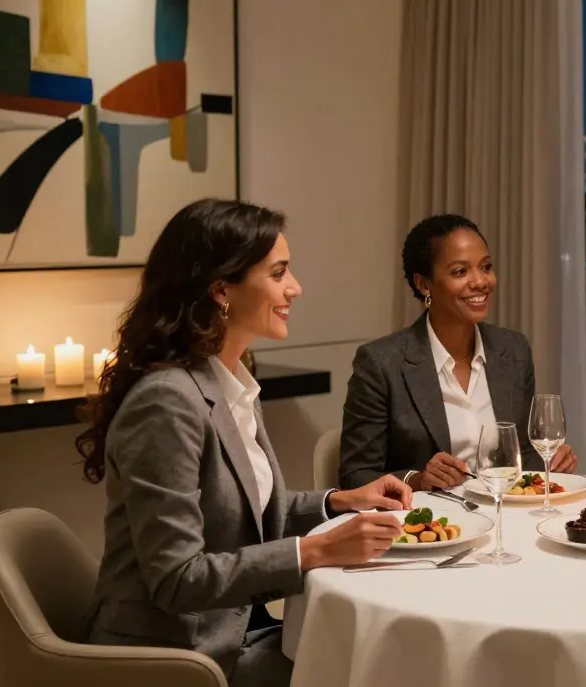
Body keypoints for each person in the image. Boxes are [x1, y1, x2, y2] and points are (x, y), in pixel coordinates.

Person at [79, 199, 414, 687]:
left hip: (233, 628)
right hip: (174, 655)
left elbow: (247, 511)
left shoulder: (229, 379)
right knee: (377, 668)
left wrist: (339, 502)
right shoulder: (167, 402)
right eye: (279, 274)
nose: (295, 288)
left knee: (378, 652)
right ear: (221, 290)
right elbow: (177, 579)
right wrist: (314, 552)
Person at [339, 214, 578, 491]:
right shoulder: (381, 363)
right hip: (432, 526)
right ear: (423, 284)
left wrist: (551, 460)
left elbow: (521, 454)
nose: (480, 281)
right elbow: (353, 476)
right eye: (460, 272)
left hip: (504, 514)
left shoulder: (512, 350)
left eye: (486, 267)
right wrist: (418, 479)